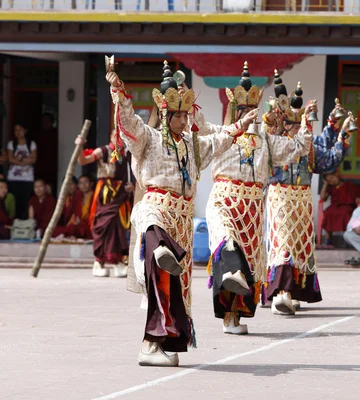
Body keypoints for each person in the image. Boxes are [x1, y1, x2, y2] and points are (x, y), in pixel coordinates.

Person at [107, 61, 253, 367]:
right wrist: (119, 94)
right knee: (156, 246)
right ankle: (149, 341)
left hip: (182, 220)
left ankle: (159, 343)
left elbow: (219, 140)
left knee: (172, 287)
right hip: (157, 208)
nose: (185, 119)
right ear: (165, 115)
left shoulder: (191, 145)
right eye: (179, 115)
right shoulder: (148, 138)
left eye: (186, 114)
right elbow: (129, 125)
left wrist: (240, 126)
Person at [204, 62, 312, 333]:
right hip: (225, 201)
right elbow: (196, 129)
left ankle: (234, 317)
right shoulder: (221, 134)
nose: (249, 115)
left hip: (252, 209)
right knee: (228, 247)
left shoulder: (265, 139)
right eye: (242, 110)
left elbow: (297, 147)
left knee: (249, 264)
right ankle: (230, 286)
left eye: (252, 110)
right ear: (234, 111)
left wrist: (305, 123)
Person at [263, 72, 350, 315]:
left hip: (301, 203)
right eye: (289, 123)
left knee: (300, 247)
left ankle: (294, 291)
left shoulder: (308, 147)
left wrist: (342, 134)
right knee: (283, 243)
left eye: (297, 123)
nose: (293, 128)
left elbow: (329, 160)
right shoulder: (273, 143)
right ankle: (282, 293)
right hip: (279, 199)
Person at [77, 130, 133, 278]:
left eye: (122, 136)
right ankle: (99, 261)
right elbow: (83, 160)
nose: (119, 138)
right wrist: (80, 147)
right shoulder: (103, 151)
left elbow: (136, 172)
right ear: (111, 136)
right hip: (105, 194)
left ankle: (118, 261)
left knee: (118, 226)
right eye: (117, 135)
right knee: (103, 224)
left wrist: (132, 185)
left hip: (120, 194)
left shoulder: (128, 153)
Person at [320, 170, 360, 249]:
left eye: (332, 178)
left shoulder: (348, 185)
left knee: (345, 213)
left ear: (337, 174)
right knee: (327, 212)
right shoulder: (331, 188)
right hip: (335, 206)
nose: (331, 181)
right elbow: (322, 197)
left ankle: (347, 239)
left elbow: (357, 196)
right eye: (329, 181)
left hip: (347, 206)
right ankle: (329, 238)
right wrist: (325, 184)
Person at [6, 123, 37, 220]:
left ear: (25, 131)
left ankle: (25, 223)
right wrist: (26, 160)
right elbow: (10, 159)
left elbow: (34, 159)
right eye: (16, 130)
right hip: (13, 178)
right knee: (15, 203)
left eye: (20, 129)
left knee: (26, 202)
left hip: (28, 178)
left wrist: (19, 159)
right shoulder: (11, 144)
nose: (18, 132)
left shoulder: (31, 144)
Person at [54, 175, 94, 240]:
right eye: (81, 183)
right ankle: (67, 235)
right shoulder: (78, 197)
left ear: (91, 183)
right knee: (56, 229)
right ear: (78, 185)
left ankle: (66, 235)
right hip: (79, 224)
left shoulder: (95, 196)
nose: (83, 185)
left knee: (74, 228)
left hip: (90, 225)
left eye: (86, 182)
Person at [33, 113, 59, 196]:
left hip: (52, 165)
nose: (45, 123)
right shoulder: (38, 134)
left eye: (47, 121)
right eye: (44, 121)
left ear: (52, 122)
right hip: (40, 165)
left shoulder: (55, 133)